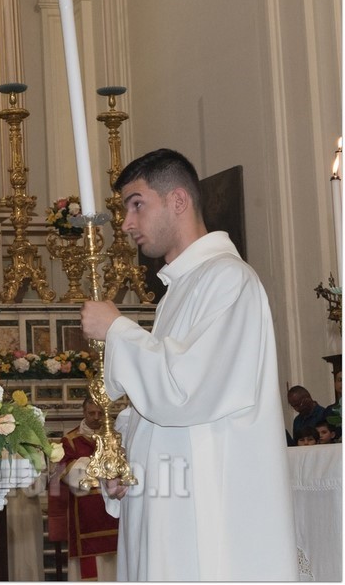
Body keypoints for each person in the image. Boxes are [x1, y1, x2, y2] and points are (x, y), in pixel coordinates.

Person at [80, 148, 296, 580]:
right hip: (170, 502)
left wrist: (116, 329)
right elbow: (156, 405)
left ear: (177, 200)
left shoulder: (229, 280)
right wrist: (124, 464)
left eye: (136, 204)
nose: (126, 223)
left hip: (205, 510)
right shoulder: (179, 291)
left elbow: (184, 391)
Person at [56, 398, 119, 581]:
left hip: (114, 509)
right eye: (92, 413)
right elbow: (64, 472)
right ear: (84, 413)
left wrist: (89, 465)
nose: (96, 417)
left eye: (100, 413)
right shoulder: (70, 440)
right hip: (85, 513)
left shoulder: (114, 437)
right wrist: (95, 465)